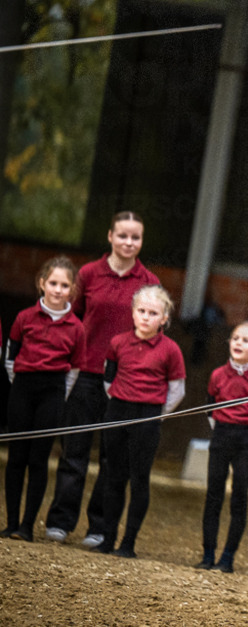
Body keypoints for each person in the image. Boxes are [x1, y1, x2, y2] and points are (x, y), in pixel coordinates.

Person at [45, 211, 160, 547]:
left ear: (142, 241)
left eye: (135, 237)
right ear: (110, 236)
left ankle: (99, 527)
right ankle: (61, 521)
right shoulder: (87, 274)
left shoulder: (149, 282)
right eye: (122, 235)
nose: (129, 242)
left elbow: (154, 332)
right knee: (74, 450)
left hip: (126, 382)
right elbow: (72, 318)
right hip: (85, 374)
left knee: (113, 458)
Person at [94, 285, 185, 558]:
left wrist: (156, 413)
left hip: (148, 417)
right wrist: (120, 402)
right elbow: (108, 379)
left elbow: (177, 390)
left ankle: (128, 543)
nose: (146, 317)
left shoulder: (171, 350)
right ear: (133, 313)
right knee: (113, 476)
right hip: (117, 412)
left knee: (139, 478)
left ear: (164, 318)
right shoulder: (118, 343)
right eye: (142, 311)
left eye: (153, 313)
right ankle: (107, 538)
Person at [2, 256, 86, 541]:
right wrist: (21, 383)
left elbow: (74, 369)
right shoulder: (24, 318)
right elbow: (10, 358)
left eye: (64, 285)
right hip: (22, 389)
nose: (58, 290)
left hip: (53, 393)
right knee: (16, 457)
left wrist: (58, 393)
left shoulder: (76, 328)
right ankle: (11, 522)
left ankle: (27, 525)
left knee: (38, 460)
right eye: (53, 283)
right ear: (42, 283)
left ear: (72, 290)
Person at [196, 321, 248, 573]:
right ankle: (208, 554)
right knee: (213, 495)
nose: (238, 343)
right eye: (235, 338)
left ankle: (227, 557)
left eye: (246, 340)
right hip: (221, 436)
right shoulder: (218, 375)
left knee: (239, 497)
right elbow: (211, 408)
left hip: (247, 441)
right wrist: (222, 429)